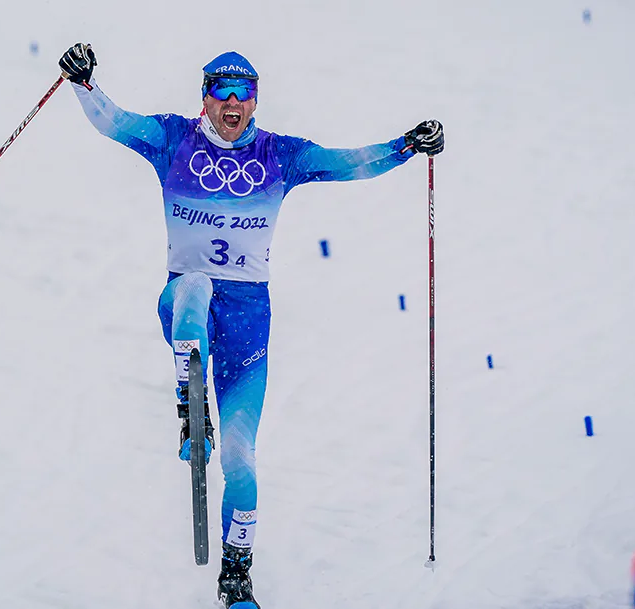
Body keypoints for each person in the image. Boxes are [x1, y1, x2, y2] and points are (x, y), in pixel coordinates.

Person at [59, 42, 444, 609]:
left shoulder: (279, 156)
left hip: (249, 323)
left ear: (256, 101)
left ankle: (236, 579)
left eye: (245, 93)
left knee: (241, 463)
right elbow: (114, 122)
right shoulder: (173, 140)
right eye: (222, 91)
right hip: (187, 301)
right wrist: (82, 81)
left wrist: (408, 145)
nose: (233, 103)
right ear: (205, 97)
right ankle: (190, 404)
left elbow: (347, 163)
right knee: (194, 288)